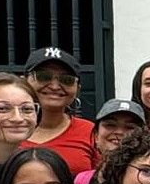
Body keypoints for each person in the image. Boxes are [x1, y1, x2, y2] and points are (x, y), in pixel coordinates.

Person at [15, 47, 98, 176]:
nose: (54, 86)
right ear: (24, 82)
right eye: (43, 77)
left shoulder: (91, 132)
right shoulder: (0, 126)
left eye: (67, 80)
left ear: (78, 88)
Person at [73, 98, 145, 184]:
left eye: (130, 127)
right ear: (96, 136)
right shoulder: (80, 183)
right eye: (110, 125)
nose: (119, 132)